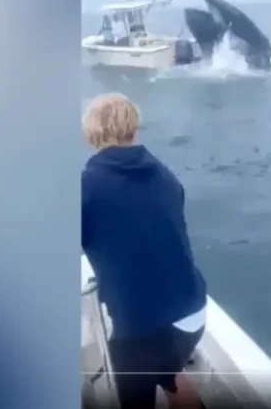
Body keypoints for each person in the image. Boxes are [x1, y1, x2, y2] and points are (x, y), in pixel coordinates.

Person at [81, 93, 207, 409]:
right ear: (133, 129)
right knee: (169, 371)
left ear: (90, 133)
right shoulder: (165, 175)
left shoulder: (88, 186)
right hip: (193, 313)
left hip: (143, 328)